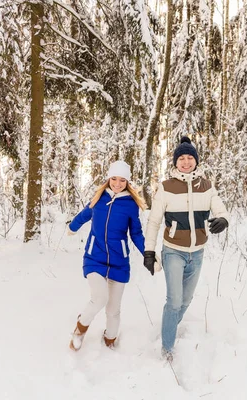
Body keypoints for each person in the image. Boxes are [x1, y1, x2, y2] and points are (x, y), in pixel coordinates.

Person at [144, 136, 229, 361]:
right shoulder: (166, 188)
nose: (186, 162)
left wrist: (223, 220)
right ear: (175, 162)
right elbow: (153, 221)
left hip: (198, 252)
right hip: (173, 251)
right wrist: (149, 251)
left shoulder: (206, 186)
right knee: (174, 301)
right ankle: (167, 348)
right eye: (181, 158)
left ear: (196, 161)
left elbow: (221, 209)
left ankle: (168, 326)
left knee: (186, 300)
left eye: (190, 157)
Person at [67, 160, 153, 351]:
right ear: (108, 179)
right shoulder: (99, 199)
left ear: (127, 182)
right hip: (94, 258)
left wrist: (148, 253)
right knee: (99, 298)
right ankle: (79, 332)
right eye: (114, 178)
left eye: (122, 180)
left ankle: (110, 340)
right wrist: (72, 227)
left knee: (113, 309)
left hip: (119, 262)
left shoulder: (130, 205)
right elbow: (84, 215)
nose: (117, 183)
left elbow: (136, 233)